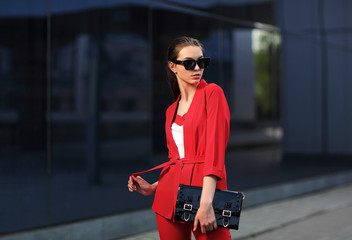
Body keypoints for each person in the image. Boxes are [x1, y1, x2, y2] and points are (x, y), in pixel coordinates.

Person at [128, 36, 231, 240]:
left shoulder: (212, 93)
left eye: (201, 62)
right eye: (189, 63)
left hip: (206, 197)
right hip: (168, 197)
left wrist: (206, 204)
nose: (197, 68)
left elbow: (214, 155)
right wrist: (153, 188)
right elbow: (178, 161)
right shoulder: (170, 111)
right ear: (172, 66)